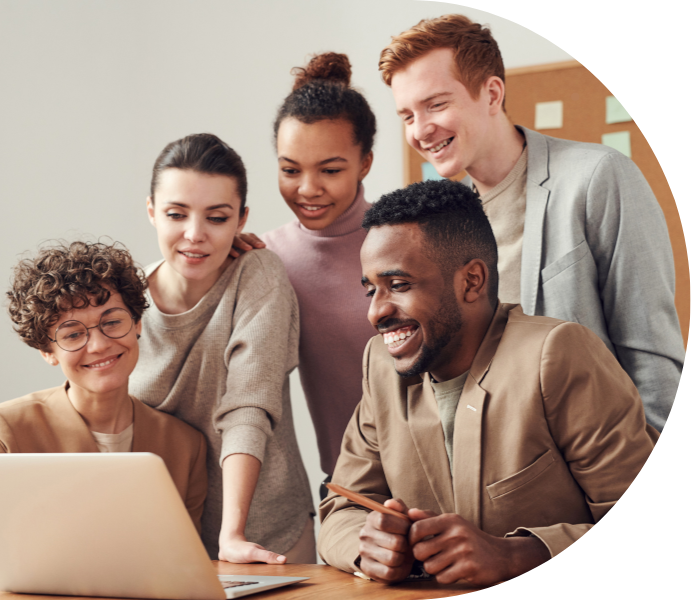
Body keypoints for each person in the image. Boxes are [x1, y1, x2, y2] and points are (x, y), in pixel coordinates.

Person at [318, 180, 657, 585]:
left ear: (472, 281)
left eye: (399, 285)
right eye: (371, 289)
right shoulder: (381, 365)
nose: (376, 312)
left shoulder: (557, 355)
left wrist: (518, 554)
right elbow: (340, 508)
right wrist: (367, 545)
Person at [378, 14, 683, 433]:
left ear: (491, 93)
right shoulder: (442, 223)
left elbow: (652, 356)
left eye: (436, 104)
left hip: (603, 463)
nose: (421, 131)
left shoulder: (597, 176)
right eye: (407, 115)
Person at [128, 133, 315, 564]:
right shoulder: (125, 298)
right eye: (177, 214)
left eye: (216, 218)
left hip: (263, 535)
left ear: (241, 220)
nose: (195, 235)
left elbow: (248, 405)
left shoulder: (258, 275)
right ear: (153, 212)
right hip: (162, 539)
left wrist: (232, 535)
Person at [235, 53, 378, 495]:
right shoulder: (265, 257)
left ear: (365, 163)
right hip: (348, 488)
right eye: (290, 170)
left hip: (443, 474)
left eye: (331, 170)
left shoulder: (408, 238)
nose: (308, 189)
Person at [1, 241, 207, 532]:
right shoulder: (8, 433)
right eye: (72, 335)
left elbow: (187, 564)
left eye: (111, 322)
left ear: (137, 324)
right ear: (47, 351)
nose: (99, 345)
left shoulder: (186, 446)